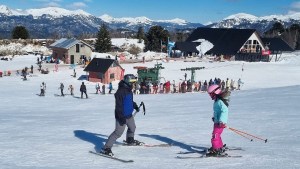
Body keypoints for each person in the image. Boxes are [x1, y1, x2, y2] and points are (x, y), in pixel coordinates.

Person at [101, 74, 141, 156]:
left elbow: (129, 101)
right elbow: (118, 106)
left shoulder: (129, 90)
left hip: (129, 115)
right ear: (128, 82)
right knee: (118, 133)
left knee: (132, 127)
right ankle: (106, 148)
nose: (133, 84)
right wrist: (121, 117)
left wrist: (135, 106)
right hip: (121, 116)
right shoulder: (121, 91)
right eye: (132, 82)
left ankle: (130, 139)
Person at [206, 84, 229, 157]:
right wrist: (214, 118)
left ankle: (216, 150)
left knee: (215, 136)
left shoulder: (220, 102)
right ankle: (219, 147)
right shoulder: (217, 101)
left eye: (211, 94)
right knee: (217, 135)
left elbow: (224, 110)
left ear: (215, 92)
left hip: (220, 123)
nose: (210, 96)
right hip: (217, 122)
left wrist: (222, 121)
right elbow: (217, 111)